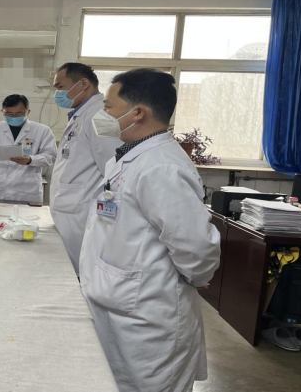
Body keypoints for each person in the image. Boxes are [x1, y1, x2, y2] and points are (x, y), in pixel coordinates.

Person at [79, 68, 220, 392]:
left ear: (137, 112)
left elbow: (195, 246)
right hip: (122, 304)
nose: (103, 115)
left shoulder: (162, 166)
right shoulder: (131, 157)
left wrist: (197, 276)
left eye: (108, 107)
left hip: (149, 313)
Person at [49, 63, 122, 276]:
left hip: (81, 213)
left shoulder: (100, 117)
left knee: (77, 275)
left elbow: (114, 170)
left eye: (60, 87)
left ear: (83, 84)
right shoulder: (82, 115)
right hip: (70, 210)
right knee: (67, 271)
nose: (57, 94)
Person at [0, 95, 56, 204]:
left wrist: (30, 160)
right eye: (9, 114)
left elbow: (50, 156)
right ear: (2, 111)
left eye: (19, 114)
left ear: (28, 111)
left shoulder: (42, 131)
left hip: (26, 191)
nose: (14, 117)